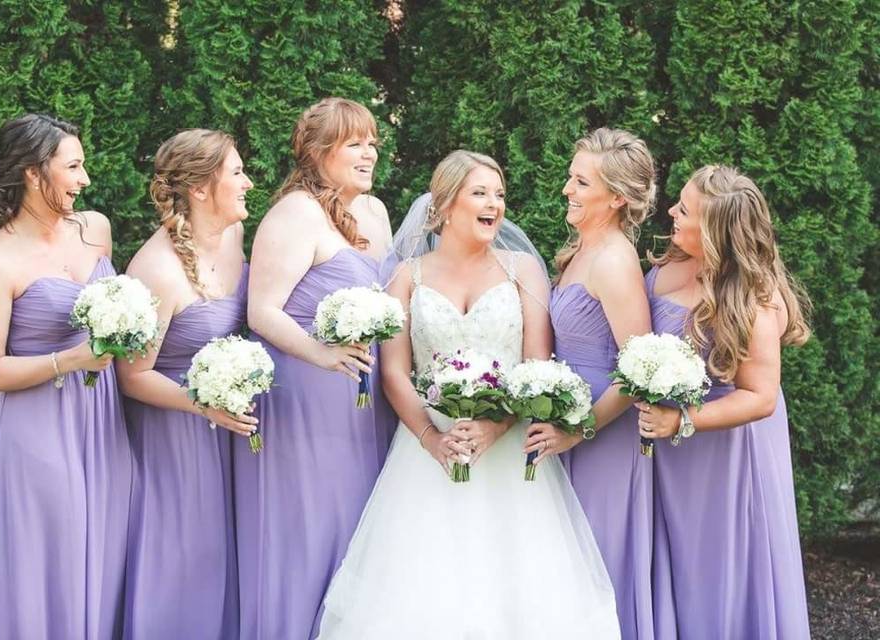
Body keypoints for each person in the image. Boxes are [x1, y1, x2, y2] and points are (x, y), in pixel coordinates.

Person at [316, 150, 620, 639]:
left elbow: (534, 366)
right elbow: (395, 372)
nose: (494, 205)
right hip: (428, 452)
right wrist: (431, 440)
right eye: (480, 193)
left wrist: (495, 426)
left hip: (507, 452)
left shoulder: (523, 269)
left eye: (499, 195)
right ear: (445, 203)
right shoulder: (405, 277)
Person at [0, 113, 132, 639]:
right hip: (39, 433)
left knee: (102, 558)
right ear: (35, 174)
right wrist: (69, 361)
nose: (85, 179)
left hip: (103, 424)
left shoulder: (96, 230)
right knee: (48, 567)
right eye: (74, 166)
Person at [236, 97, 395, 640]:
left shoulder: (375, 212)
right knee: (313, 528)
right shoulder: (294, 213)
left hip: (366, 402)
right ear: (318, 151)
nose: (369, 152)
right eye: (355, 143)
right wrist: (323, 354)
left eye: (372, 141)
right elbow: (262, 311)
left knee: (362, 528)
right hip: (307, 396)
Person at [641, 165, 811, 639]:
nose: (671, 212)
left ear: (715, 231)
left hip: (730, 451)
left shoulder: (753, 297)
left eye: (685, 210)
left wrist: (682, 421)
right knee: (681, 568)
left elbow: (760, 398)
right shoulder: (672, 263)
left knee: (724, 575)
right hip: (675, 451)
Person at [117, 129, 255, 639]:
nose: (248, 183)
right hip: (174, 434)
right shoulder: (156, 269)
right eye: (236, 173)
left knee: (224, 553)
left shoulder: (236, 237)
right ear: (200, 188)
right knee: (183, 556)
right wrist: (203, 407)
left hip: (227, 427)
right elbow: (131, 376)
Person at [538, 127, 656, 640]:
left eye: (580, 182)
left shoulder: (613, 260)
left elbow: (638, 369)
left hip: (603, 438)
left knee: (600, 566)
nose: (567, 189)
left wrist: (578, 429)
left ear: (616, 198)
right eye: (571, 177)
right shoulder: (580, 251)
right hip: (569, 430)